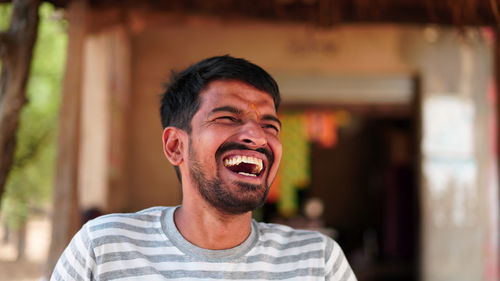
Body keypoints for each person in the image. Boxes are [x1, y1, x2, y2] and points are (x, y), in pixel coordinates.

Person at [50, 55, 357, 281]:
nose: (256, 135)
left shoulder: (318, 259)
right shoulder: (104, 247)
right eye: (227, 118)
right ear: (175, 146)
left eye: (269, 125)